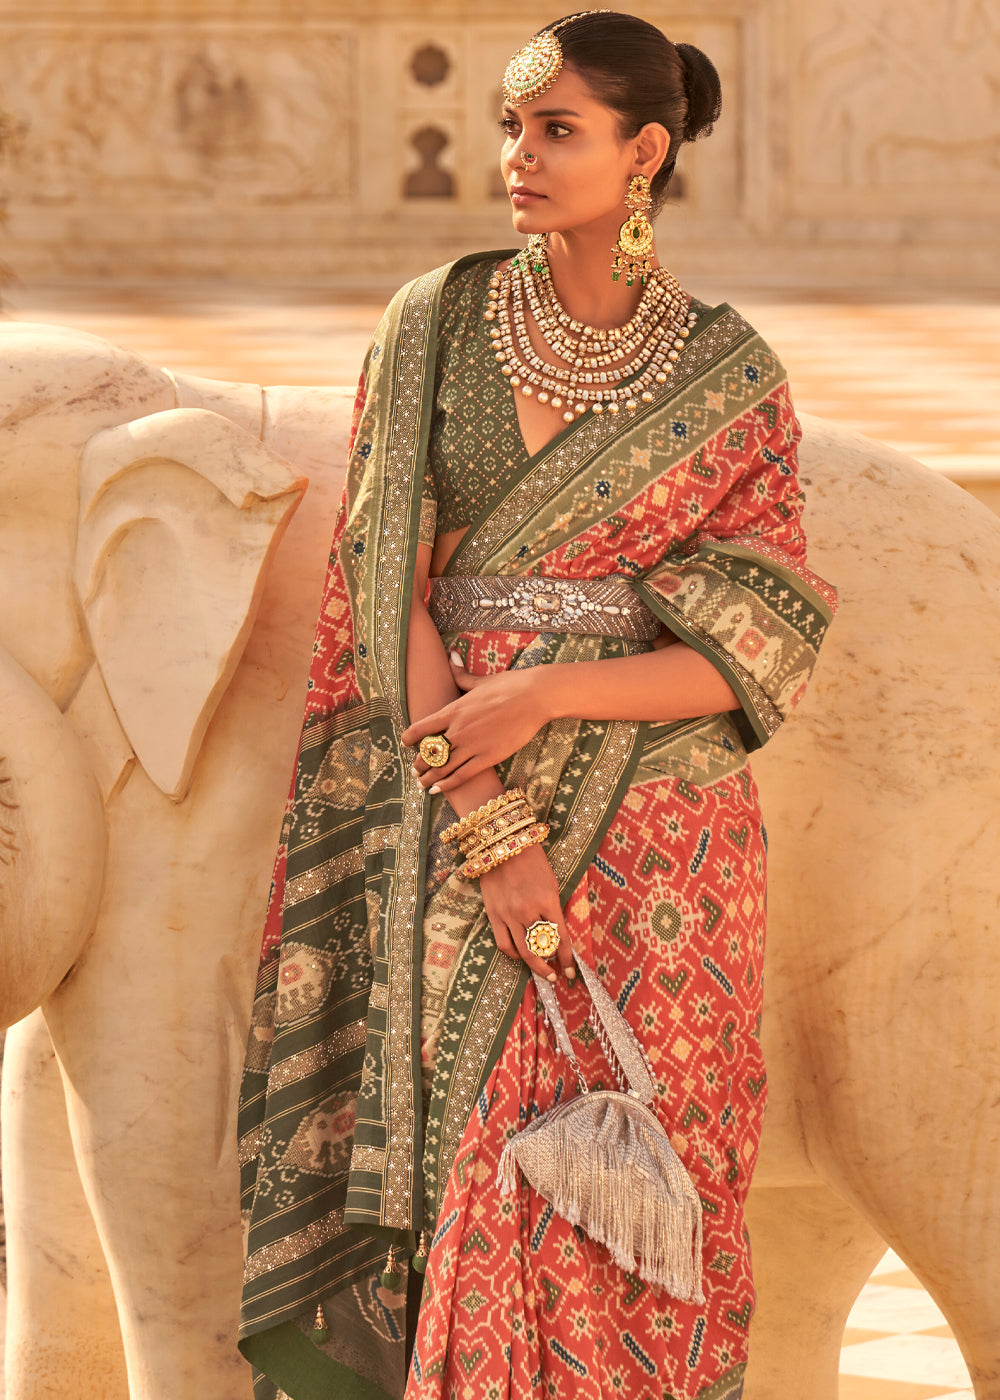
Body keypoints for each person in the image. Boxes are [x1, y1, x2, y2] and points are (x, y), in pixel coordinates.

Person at [237, 12, 837, 1399]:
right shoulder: (436, 324)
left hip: (665, 853)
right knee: (470, 1168)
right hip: (462, 828)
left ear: (645, 151)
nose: (515, 156)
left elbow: (758, 645)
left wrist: (553, 689)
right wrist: (493, 822)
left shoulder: (731, 373)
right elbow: (386, 583)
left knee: (638, 1194)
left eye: (555, 129)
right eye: (513, 126)